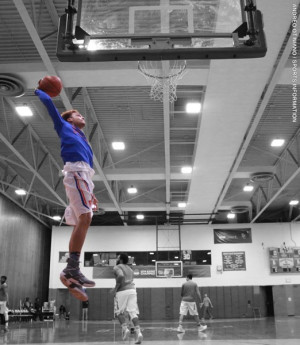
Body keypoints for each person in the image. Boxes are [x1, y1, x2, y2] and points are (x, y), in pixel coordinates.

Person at [35, 88, 98, 301]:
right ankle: (71, 268)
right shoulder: (64, 126)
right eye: (77, 114)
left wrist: (92, 193)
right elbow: (50, 107)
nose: (81, 116)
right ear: (69, 119)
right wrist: (41, 89)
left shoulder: (83, 139)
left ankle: (70, 273)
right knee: (85, 218)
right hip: (75, 172)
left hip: (84, 178)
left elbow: (88, 167)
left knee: (84, 219)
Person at [112, 253, 143, 344]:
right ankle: (139, 333)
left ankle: (125, 329)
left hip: (122, 291)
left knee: (118, 312)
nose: (117, 259)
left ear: (121, 259)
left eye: (118, 258)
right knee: (133, 313)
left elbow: (121, 276)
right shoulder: (130, 269)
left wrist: (115, 288)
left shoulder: (117, 267)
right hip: (132, 291)